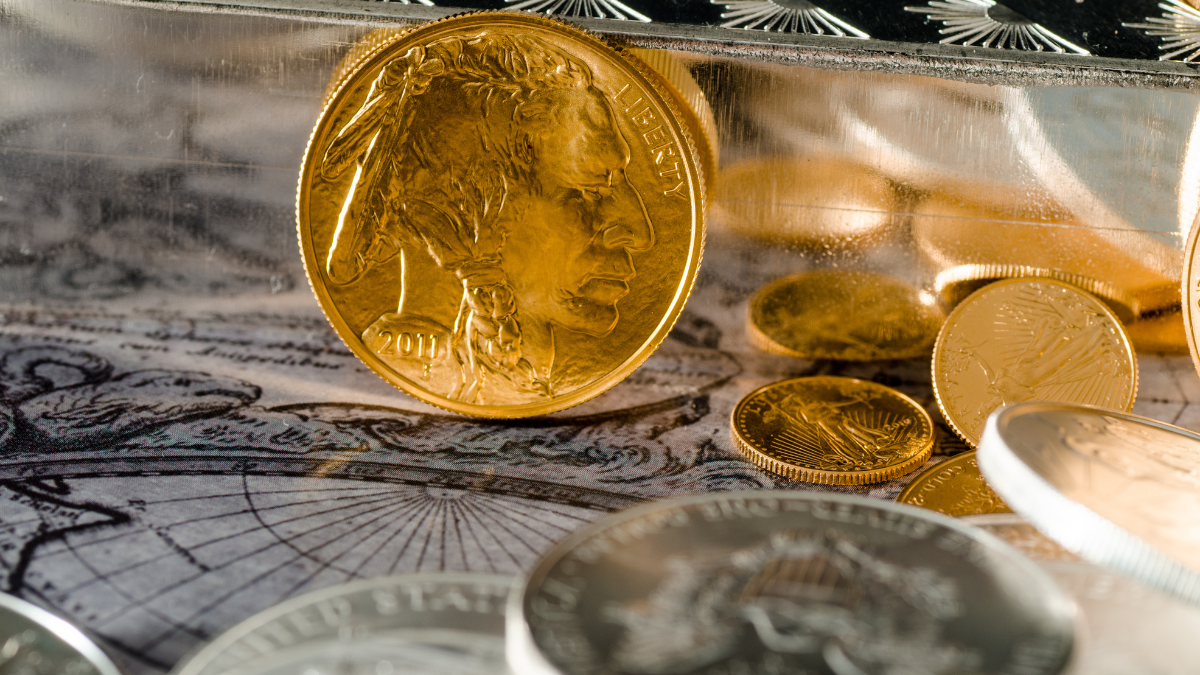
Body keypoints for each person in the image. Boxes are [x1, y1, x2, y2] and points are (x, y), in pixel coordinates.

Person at [320, 32, 655, 406]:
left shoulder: (491, 376)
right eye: (590, 190)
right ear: (469, 212)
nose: (642, 234)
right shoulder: (438, 370)